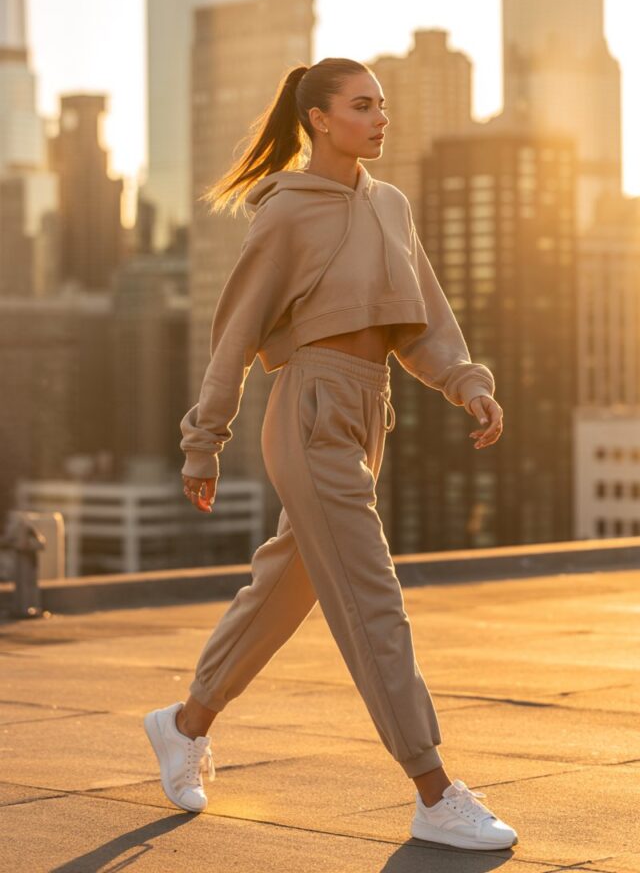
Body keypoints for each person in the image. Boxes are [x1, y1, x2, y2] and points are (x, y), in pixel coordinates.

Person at [144, 58, 516, 852]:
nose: (379, 119)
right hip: (308, 410)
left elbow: (424, 323)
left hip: (366, 409)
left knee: (287, 588)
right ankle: (433, 787)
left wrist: (467, 384)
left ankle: (185, 725)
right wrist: (203, 442)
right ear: (318, 118)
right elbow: (236, 333)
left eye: (382, 105)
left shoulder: (392, 205)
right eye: (361, 106)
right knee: (371, 596)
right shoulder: (284, 213)